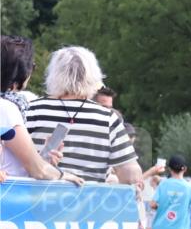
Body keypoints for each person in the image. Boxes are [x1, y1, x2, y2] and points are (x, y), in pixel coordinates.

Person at [25, 47, 141, 185]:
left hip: (36, 203)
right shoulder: (108, 119)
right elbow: (130, 176)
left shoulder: (30, 110)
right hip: (89, 204)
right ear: (94, 77)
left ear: (53, 75)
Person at [1, 36, 83, 185]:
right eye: (32, 66)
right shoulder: (6, 108)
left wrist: (45, 159)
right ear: (21, 71)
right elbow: (36, 169)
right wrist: (63, 175)